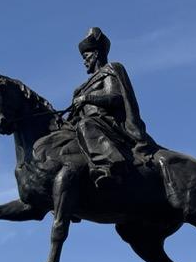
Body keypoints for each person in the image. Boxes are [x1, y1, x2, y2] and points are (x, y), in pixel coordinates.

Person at [64, 26, 158, 187]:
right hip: (87, 128)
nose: (84, 61)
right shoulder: (79, 89)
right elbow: (73, 117)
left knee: (86, 124)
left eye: (86, 56)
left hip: (109, 124)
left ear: (96, 55)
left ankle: (108, 167)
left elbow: (116, 98)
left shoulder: (110, 70)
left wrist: (87, 98)